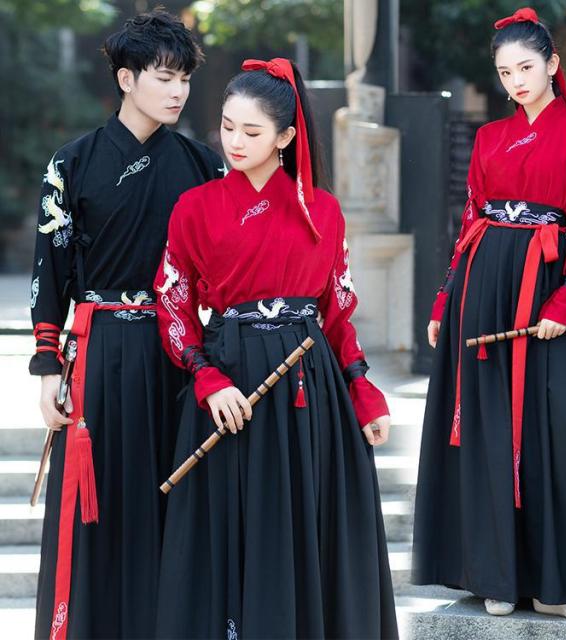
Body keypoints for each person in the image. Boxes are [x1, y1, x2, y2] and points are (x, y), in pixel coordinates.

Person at [153, 57, 398, 639]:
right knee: (238, 529)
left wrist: (362, 388)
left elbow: (336, 312)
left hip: (310, 390)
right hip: (231, 385)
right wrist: (207, 378)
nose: (234, 142)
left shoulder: (324, 211)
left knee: (310, 524)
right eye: (227, 127)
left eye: (251, 131)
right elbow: (173, 302)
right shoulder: (195, 207)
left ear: (286, 137)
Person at [412, 7, 566, 622]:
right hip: (483, 288)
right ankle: (495, 575)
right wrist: (445, 297)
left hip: (546, 286)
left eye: (526, 68)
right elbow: (470, 220)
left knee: (557, 425)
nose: (516, 81)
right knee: (489, 425)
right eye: (505, 72)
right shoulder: (488, 138)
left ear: (552, 65)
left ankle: (558, 584)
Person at [30, 10, 224, 638]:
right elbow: (50, 273)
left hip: (179, 354)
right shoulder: (71, 164)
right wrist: (47, 368)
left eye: (185, 79)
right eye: (164, 77)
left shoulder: (205, 167)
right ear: (125, 78)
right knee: (98, 505)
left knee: (175, 498)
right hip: (100, 353)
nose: (178, 91)